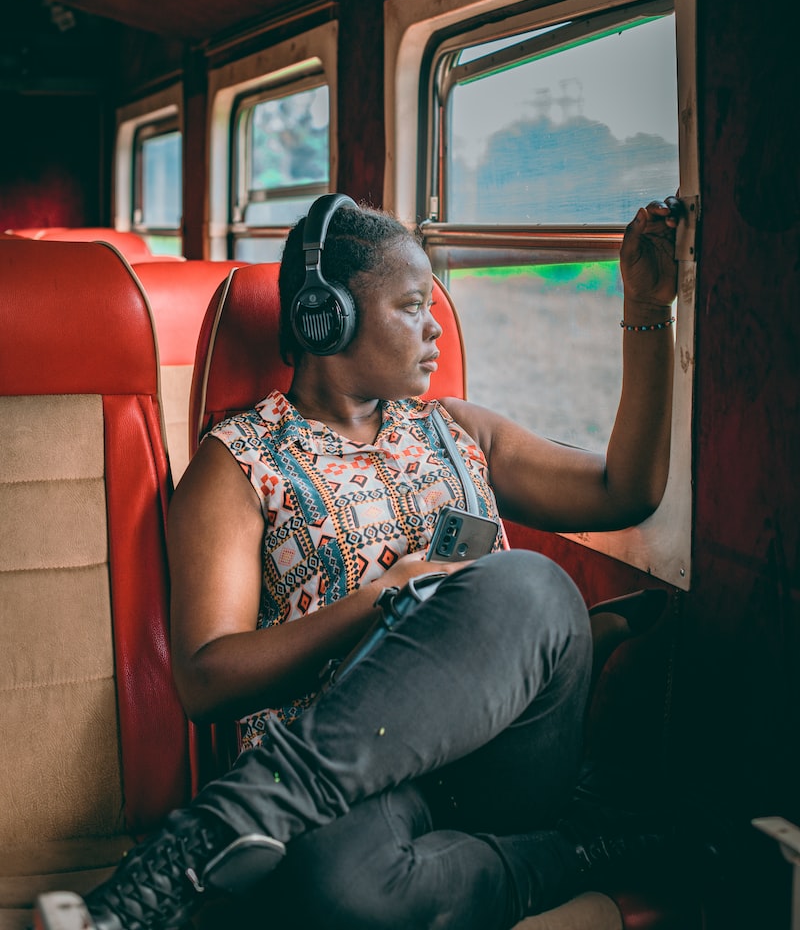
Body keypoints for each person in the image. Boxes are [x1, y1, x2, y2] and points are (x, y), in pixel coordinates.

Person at [35, 192, 683, 930]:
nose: (436, 326)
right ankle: (577, 851)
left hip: (507, 760)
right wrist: (385, 598)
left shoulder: (458, 430)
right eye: (411, 306)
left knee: (529, 586)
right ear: (327, 317)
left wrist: (646, 307)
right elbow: (205, 680)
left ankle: (200, 844)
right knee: (333, 888)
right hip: (364, 786)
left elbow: (625, 491)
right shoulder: (239, 463)